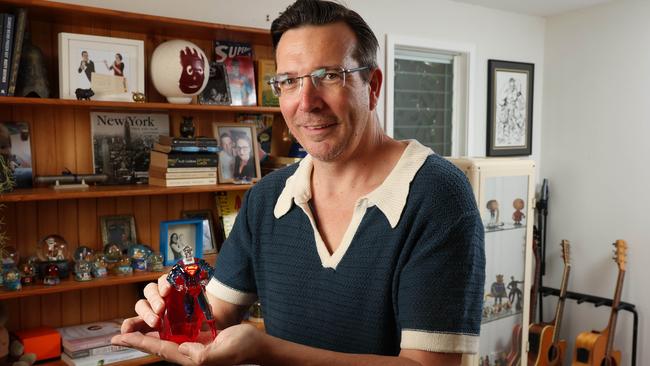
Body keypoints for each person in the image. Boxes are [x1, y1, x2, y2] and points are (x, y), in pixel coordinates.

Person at [114, 1, 485, 365]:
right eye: (289, 82)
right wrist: (171, 319)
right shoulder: (266, 198)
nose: (307, 102)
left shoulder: (438, 195)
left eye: (329, 76)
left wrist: (268, 352)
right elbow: (215, 322)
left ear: (372, 85)